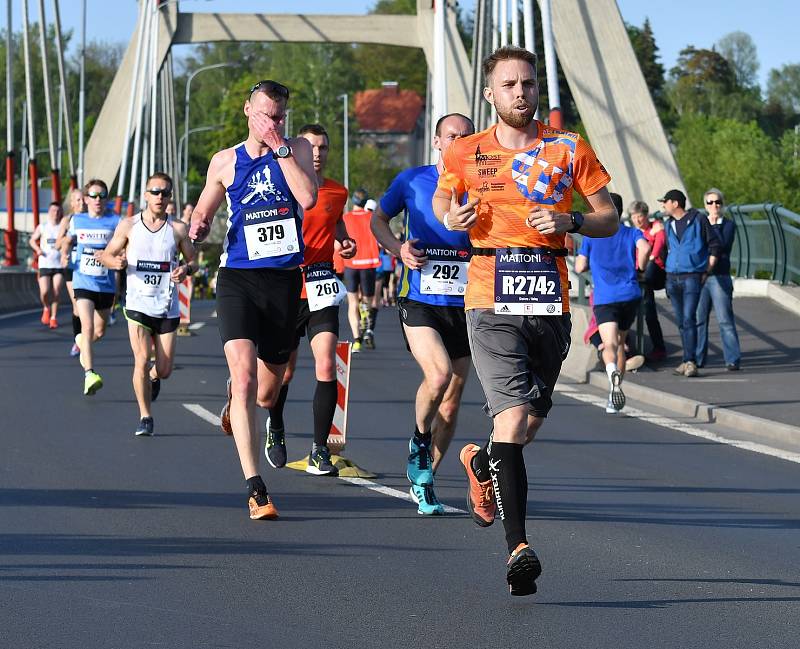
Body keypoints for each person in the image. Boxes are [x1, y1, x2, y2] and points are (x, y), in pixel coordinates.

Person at [433, 46, 617, 595]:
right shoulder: (465, 152)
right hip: (490, 296)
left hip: (548, 299)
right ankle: (519, 549)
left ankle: (479, 460)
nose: (521, 92)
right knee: (512, 420)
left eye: (529, 83)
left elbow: (608, 216)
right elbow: (445, 205)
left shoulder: (568, 147)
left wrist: (570, 218)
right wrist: (453, 216)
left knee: (527, 426)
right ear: (490, 94)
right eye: (509, 84)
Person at [189, 79, 316, 520]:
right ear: (248, 110)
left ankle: (236, 400)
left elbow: (307, 197)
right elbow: (204, 207)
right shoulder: (225, 160)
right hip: (238, 277)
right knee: (243, 379)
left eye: (278, 116)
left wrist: (280, 146)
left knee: (266, 392)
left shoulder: (295, 149)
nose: (270, 122)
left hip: (281, 281)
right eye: (264, 115)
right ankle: (256, 487)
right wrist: (199, 224)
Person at [371, 112, 475, 515]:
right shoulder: (411, 180)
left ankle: (424, 477)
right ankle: (418, 437)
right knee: (438, 374)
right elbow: (378, 219)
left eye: (467, 137)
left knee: (450, 405)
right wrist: (398, 249)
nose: (460, 143)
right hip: (421, 299)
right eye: (452, 137)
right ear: (436, 141)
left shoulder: (484, 183)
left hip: (466, 304)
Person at [264, 123, 356, 476]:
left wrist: (345, 242)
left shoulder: (337, 191)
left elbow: (336, 224)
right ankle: (276, 425)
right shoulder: (282, 184)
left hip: (321, 286)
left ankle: (320, 450)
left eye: (324, 148)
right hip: (287, 287)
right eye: (312, 147)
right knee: (284, 371)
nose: (318, 153)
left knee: (326, 365)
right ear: (299, 149)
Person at [101, 172, 197, 436]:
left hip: (166, 305)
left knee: (164, 370)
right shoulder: (128, 226)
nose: (160, 197)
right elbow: (107, 254)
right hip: (137, 303)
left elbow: (194, 261)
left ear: (169, 198)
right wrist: (115, 262)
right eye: (155, 192)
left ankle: (154, 378)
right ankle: (145, 417)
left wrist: (186, 269)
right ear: (145, 195)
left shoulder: (177, 229)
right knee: (141, 359)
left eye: (165, 192)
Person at [575, 192, 650, 413]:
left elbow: (579, 267)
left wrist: (591, 267)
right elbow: (645, 248)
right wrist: (641, 268)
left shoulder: (591, 236)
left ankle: (611, 373)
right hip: (630, 294)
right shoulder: (631, 232)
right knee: (622, 342)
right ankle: (613, 395)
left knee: (610, 345)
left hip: (605, 297)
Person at [64, 179, 120, 395]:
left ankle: (82, 344)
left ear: (106, 199)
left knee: (99, 331)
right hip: (83, 281)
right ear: (86, 199)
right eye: (94, 196)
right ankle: (90, 374)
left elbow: (125, 245)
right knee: (86, 326)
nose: (98, 200)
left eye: (102, 196)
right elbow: (66, 240)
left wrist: (116, 257)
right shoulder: (76, 220)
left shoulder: (116, 221)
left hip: (105, 283)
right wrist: (63, 250)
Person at [659, 189, 722, 378]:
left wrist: (706, 271)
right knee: (681, 321)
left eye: (666, 202)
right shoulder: (668, 224)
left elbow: (715, 245)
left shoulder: (698, 219)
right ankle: (686, 360)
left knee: (688, 319)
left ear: (675, 203)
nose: (663, 205)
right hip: (672, 277)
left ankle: (691, 361)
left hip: (692, 277)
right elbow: (666, 251)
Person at [696, 188, 741, 370]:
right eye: (710, 202)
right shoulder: (700, 223)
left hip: (719, 277)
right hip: (702, 277)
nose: (714, 205)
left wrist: (713, 226)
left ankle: (732, 359)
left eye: (718, 202)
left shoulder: (728, 225)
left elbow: (720, 245)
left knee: (725, 320)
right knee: (699, 319)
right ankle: (698, 358)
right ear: (705, 205)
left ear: (722, 204)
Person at [342, 189, 381, 352]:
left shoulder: (345, 218)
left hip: (351, 264)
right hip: (368, 263)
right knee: (368, 301)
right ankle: (367, 324)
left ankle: (356, 340)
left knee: (352, 303)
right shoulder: (372, 218)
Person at [629, 200, 667, 362]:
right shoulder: (632, 232)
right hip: (637, 275)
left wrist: (650, 237)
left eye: (641, 216)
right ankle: (631, 347)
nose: (638, 220)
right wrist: (650, 236)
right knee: (634, 312)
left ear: (646, 216)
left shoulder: (656, 226)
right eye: (634, 217)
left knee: (649, 312)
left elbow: (657, 247)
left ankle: (658, 348)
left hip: (652, 273)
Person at [57, 189, 86, 355]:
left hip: (90, 267)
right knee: (77, 305)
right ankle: (78, 340)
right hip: (73, 267)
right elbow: (57, 244)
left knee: (92, 307)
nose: (81, 203)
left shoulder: (92, 219)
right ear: (72, 203)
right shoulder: (68, 220)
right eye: (78, 200)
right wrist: (69, 238)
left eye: (83, 199)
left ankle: (88, 335)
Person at [30, 202, 66, 329]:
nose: (55, 213)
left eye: (57, 211)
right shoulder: (43, 227)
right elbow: (32, 240)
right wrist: (37, 249)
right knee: (44, 292)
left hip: (59, 265)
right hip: (44, 263)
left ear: (60, 213)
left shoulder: (63, 228)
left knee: (56, 291)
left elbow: (67, 242)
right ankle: (46, 307)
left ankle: (53, 317)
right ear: (49, 212)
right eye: (53, 210)